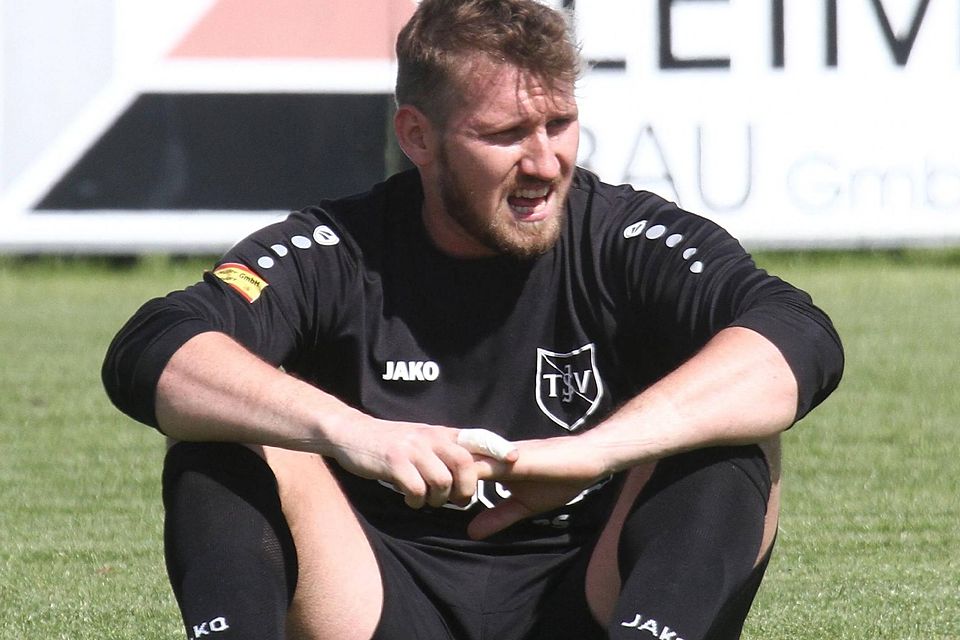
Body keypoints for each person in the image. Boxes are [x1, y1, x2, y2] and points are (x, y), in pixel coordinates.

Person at [102, 1, 844, 638]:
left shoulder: (623, 237)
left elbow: (797, 335)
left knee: (730, 442)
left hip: (588, 600)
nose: (545, 162)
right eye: (505, 134)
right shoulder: (339, 249)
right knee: (226, 441)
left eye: (560, 123)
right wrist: (357, 434)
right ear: (417, 137)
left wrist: (598, 450)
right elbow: (152, 348)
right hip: (377, 602)